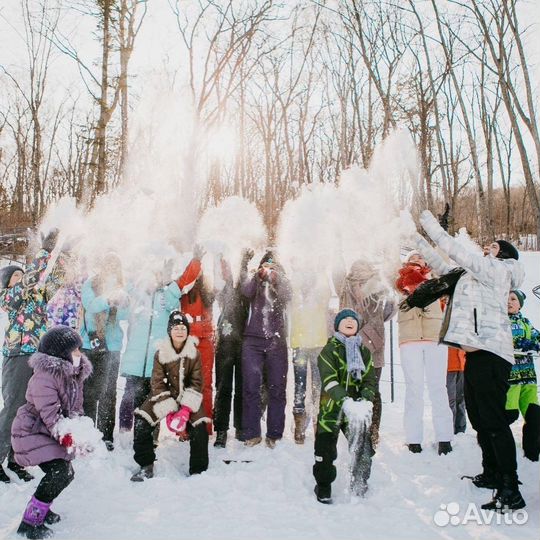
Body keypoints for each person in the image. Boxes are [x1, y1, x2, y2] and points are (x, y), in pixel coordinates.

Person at [415, 210, 526, 511]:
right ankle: (492, 473)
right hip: (476, 357)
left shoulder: (497, 270)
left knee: (493, 422)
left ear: (502, 255)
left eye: (492, 247)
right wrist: (413, 236)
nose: (486, 248)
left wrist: (430, 226)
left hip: (492, 356)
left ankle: (510, 487)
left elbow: (455, 250)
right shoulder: (475, 274)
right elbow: (442, 266)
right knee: (480, 419)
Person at [10, 326, 93, 539]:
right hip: (31, 432)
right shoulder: (44, 378)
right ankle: (30, 522)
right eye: (75, 350)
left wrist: (81, 436)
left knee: (66, 473)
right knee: (60, 473)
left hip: (48, 432)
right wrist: (68, 439)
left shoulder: (74, 375)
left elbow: (76, 409)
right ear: (61, 353)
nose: (79, 354)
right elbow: (51, 416)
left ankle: (43, 508)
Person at [0, 230, 67, 483]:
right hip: (17, 357)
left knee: (29, 411)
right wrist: (45, 252)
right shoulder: (8, 298)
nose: (20, 278)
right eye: (15, 276)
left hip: (37, 359)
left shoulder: (37, 297)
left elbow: (56, 280)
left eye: (21, 274)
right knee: (12, 409)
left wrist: (65, 254)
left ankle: (17, 460)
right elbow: (31, 278)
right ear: (7, 283)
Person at [130, 311, 209, 481]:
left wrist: (185, 410)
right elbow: (157, 382)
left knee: (200, 426)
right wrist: (169, 406)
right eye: (176, 328)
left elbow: (196, 383)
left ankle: (198, 470)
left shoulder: (194, 354)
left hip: (188, 399)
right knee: (142, 420)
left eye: (183, 328)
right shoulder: (161, 353)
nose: (180, 331)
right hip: (163, 397)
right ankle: (146, 464)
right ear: (169, 331)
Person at [313, 309, 377, 504]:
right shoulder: (329, 349)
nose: (350, 321)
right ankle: (323, 487)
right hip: (331, 408)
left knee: (363, 447)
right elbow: (329, 380)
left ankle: (360, 483)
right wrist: (344, 400)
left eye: (353, 320)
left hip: (355, 411)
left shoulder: (364, 351)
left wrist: (365, 400)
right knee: (324, 449)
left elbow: (369, 380)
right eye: (345, 319)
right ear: (337, 325)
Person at [396, 251, 454, 455]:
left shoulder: (436, 279)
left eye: (420, 256)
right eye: (413, 256)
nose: (417, 258)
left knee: (438, 387)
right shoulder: (398, 280)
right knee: (414, 389)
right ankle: (413, 439)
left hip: (434, 337)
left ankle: (444, 438)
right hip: (409, 338)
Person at [339, 260, 397, 447]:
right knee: (369, 391)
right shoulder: (350, 287)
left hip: (364, 345)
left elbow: (386, 311)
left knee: (366, 390)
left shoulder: (370, 286)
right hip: (362, 345)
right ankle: (368, 431)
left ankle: (369, 431)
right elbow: (388, 313)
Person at [118, 266, 181, 433]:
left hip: (155, 359)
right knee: (129, 395)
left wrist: (168, 284)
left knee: (153, 397)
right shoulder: (138, 295)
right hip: (135, 357)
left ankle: (150, 433)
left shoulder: (166, 297)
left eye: (158, 276)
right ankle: (124, 430)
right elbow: (125, 302)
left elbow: (175, 304)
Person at [241, 251, 292, 448]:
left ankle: (275, 434)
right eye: (266, 265)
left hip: (276, 341)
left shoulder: (283, 280)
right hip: (252, 341)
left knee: (277, 388)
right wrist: (258, 275)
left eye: (273, 266)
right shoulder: (255, 279)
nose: (269, 269)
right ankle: (252, 433)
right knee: (251, 387)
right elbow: (245, 291)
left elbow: (288, 295)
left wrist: (277, 279)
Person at [80, 252, 129, 451]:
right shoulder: (90, 285)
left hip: (112, 346)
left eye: (114, 265)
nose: (110, 268)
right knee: (88, 392)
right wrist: (108, 300)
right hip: (89, 344)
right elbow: (90, 306)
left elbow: (125, 314)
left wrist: (119, 301)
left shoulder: (122, 288)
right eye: (107, 264)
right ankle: (88, 433)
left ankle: (106, 435)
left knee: (108, 392)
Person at [289, 261, 331, 444]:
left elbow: (327, 291)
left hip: (318, 345)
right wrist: (295, 269)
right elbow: (289, 290)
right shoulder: (295, 296)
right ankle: (299, 425)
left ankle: (317, 422)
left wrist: (321, 271)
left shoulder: (320, 295)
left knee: (318, 386)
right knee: (299, 386)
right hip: (300, 345)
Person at [176, 245, 215, 435]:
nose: (199, 275)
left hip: (206, 340)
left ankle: (204, 426)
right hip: (187, 342)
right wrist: (196, 260)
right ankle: (183, 427)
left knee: (205, 385)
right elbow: (185, 280)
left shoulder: (208, 291)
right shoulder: (184, 289)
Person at [213, 251, 251, 448]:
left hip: (244, 341)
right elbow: (223, 288)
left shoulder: (245, 288)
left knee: (242, 387)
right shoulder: (223, 289)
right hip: (226, 343)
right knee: (223, 387)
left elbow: (245, 287)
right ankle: (221, 430)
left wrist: (244, 262)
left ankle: (241, 427)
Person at [506, 289, 540, 461]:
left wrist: (534, 343)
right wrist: (519, 343)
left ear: (519, 304)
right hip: (511, 379)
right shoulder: (501, 322)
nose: (509, 302)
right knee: (509, 413)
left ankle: (532, 451)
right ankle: (502, 447)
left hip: (529, 378)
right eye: (507, 299)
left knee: (534, 415)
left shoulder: (526, 322)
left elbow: (536, 337)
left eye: (513, 299)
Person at [446, 347, 467, 434]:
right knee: (450, 400)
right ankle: (448, 430)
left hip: (462, 365)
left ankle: (460, 430)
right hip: (448, 366)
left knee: (461, 400)